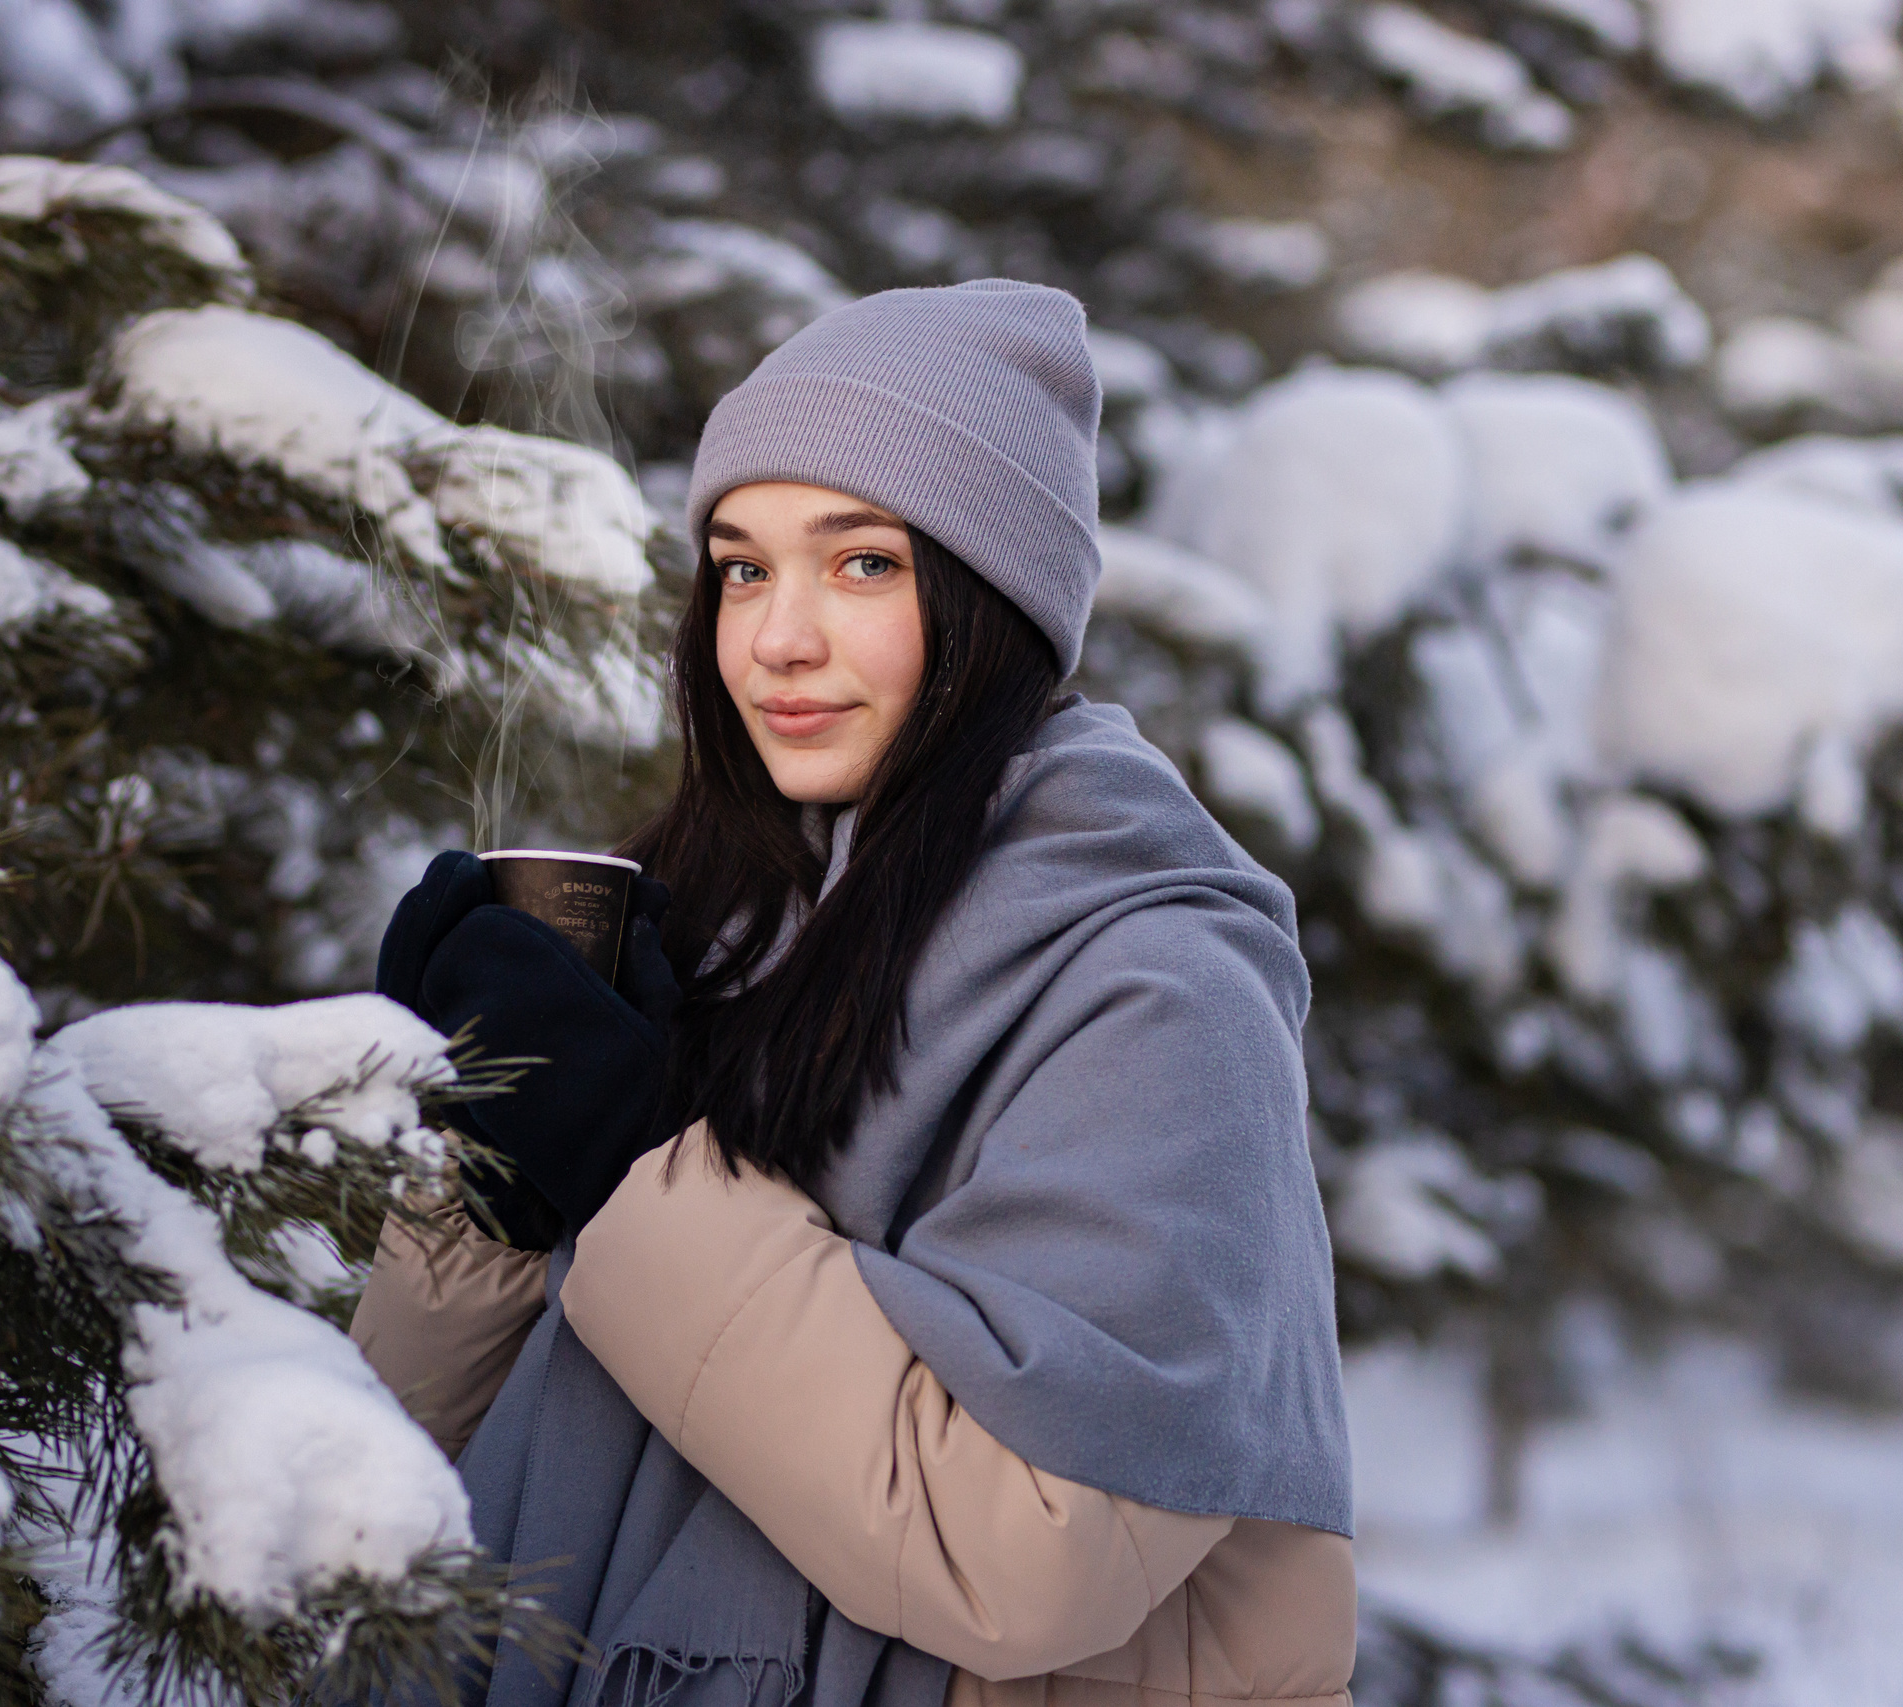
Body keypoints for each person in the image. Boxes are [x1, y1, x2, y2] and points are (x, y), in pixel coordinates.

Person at [356, 280, 1355, 1707]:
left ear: (990, 599)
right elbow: (392, 1506)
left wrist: (634, 1173)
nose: (777, 640)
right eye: (743, 568)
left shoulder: (1158, 985)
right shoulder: (698, 929)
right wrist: (491, 1193)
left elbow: (1027, 1555)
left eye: (863, 564)